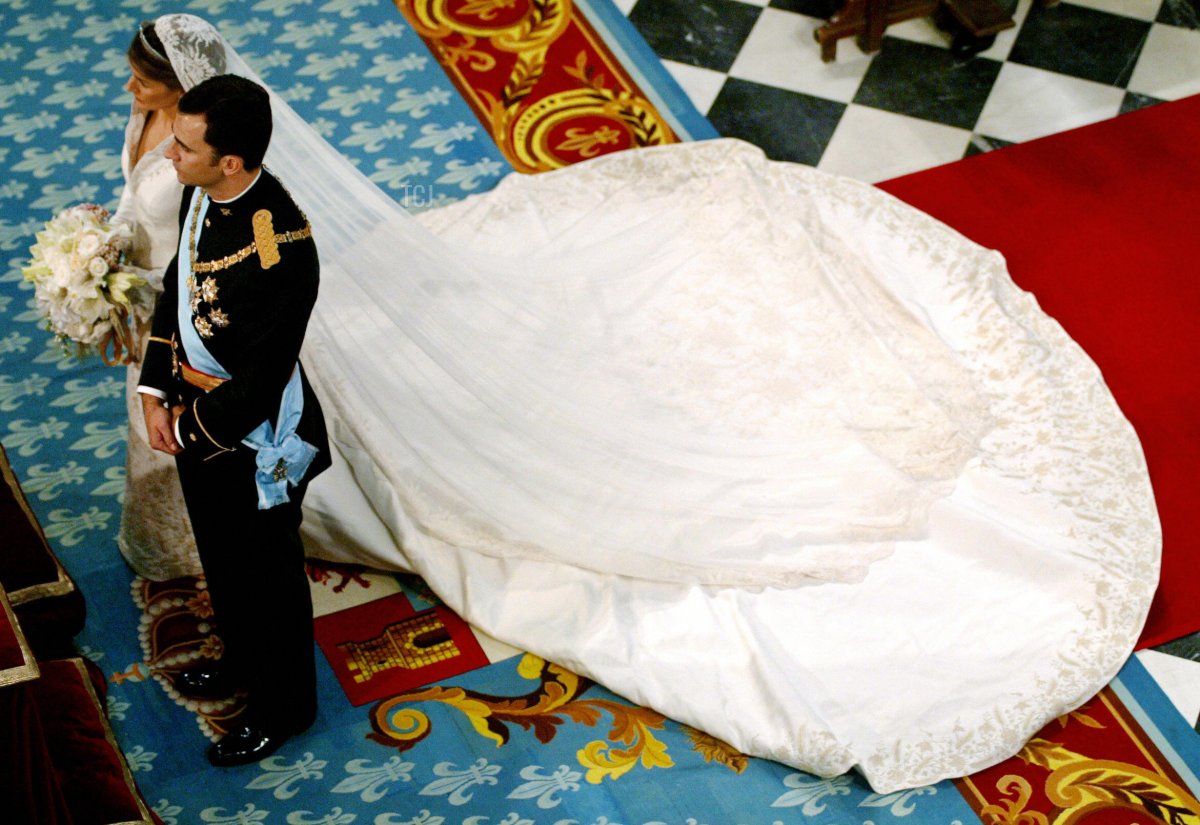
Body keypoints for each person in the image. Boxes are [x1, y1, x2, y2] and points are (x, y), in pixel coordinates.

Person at [137, 73, 330, 767]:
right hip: (198, 417)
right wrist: (155, 388)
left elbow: (262, 374)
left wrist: (190, 432)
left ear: (232, 162)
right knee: (224, 562)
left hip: (250, 438)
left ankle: (284, 707)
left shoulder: (282, 244)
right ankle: (244, 664)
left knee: (268, 581)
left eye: (184, 147)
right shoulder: (202, 190)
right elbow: (176, 289)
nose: (170, 156)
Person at [114, 15, 226, 581]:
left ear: (181, 84)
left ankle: (197, 548)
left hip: (183, 303)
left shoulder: (204, 150)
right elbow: (135, 193)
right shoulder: (147, 109)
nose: (129, 90)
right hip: (138, 292)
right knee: (146, 410)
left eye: (142, 81)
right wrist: (103, 244)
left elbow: (205, 247)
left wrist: (152, 298)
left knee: (175, 417)